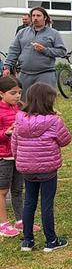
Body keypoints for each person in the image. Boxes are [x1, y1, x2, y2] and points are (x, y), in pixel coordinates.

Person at [12, 82, 72, 252]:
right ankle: (51, 241)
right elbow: (65, 140)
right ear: (49, 101)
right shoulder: (54, 121)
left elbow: (14, 143)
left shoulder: (19, 119)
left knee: (29, 202)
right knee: (47, 203)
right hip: (47, 170)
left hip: (27, 169)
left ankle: (27, 241)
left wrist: (20, 160)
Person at [3, 7, 67, 100]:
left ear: (45, 18)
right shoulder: (22, 33)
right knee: (23, 102)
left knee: (44, 101)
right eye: (33, 16)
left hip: (45, 74)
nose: (35, 18)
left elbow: (62, 51)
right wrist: (7, 66)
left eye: (38, 15)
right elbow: (14, 50)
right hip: (25, 74)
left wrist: (44, 50)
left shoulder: (54, 33)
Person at [0, 77, 25, 237]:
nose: (17, 96)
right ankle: (3, 223)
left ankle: (21, 220)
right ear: (1, 94)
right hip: (3, 157)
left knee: (18, 189)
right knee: (2, 191)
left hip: (18, 154)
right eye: (13, 93)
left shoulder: (19, 108)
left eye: (19, 93)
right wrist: (5, 133)